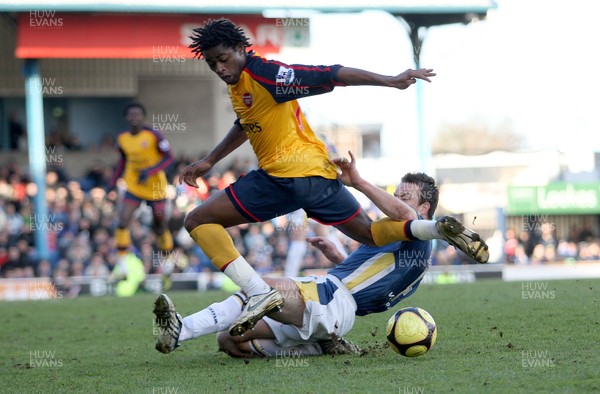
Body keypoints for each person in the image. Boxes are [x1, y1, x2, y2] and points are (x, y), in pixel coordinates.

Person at [178, 18, 486, 337]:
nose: (219, 68)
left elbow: (329, 74)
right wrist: (209, 161)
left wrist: (389, 80)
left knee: (198, 220)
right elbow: (245, 122)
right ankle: (435, 227)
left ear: (241, 49)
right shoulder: (239, 84)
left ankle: (256, 291)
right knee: (367, 233)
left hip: (285, 175)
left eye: (223, 59)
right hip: (319, 178)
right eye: (212, 63)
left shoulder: (265, 74)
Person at [154, 153, 488, 356]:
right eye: (396, 194)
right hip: (330, 303)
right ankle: (316, 347)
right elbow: (374, 283)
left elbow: (408, 219)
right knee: (230, 340)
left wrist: (357, 182)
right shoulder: (397, 244)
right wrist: (340, 255)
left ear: (424, 208)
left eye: (405, 196)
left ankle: (179, 331)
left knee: (259, 290)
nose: (396, 201)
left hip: (333, 300)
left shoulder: (416, 238)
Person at [108, 102, 174, 284]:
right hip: (134, 185)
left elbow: (169, 158)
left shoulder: (154, 135)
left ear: (143, 117)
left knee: (159, 226)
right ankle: (121, 268)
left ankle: (167, 263)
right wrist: (112, 182)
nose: (134, 118)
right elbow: (123, 161)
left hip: (155, 187)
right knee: (122, 221)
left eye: (138, 114)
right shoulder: (122, 138)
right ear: (126, 118)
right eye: (131, 115)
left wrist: (150, 170)